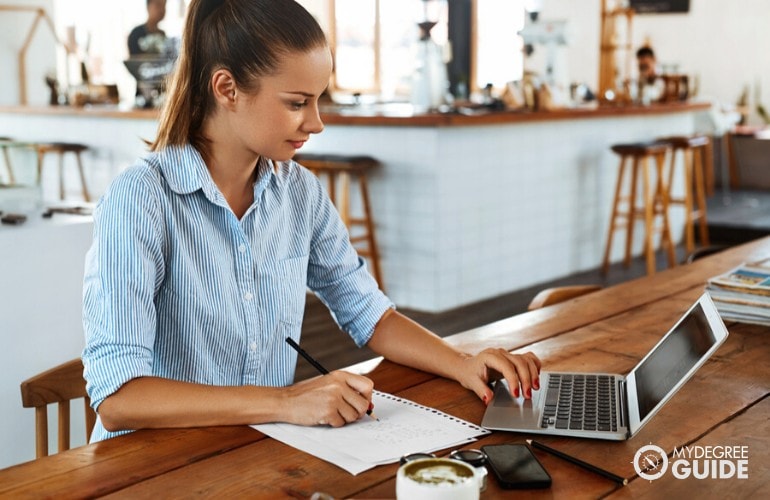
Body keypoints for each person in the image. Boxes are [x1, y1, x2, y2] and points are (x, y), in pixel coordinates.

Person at [82, 0, 541, 442]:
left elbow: (368, 313)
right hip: (148, 465)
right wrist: (284, 402)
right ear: (227, 89)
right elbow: (119, 398)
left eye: (318, 100)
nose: (317, 123)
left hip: (252, 449)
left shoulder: (299, 192)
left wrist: (462, 362)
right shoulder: (141, 200)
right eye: (298, 102)